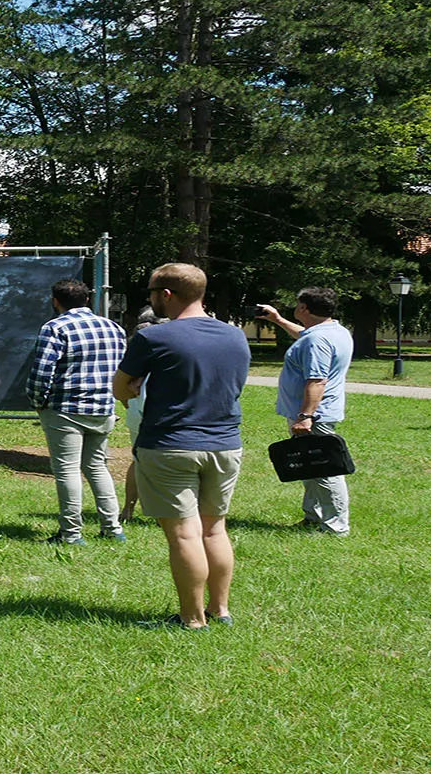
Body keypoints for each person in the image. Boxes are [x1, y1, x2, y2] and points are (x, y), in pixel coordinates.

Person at [113, 264, 248, 629]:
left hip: (170, 445)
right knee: (214, 530)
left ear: (166, 294)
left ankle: (191, 619)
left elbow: (119, 388)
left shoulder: (153, 338)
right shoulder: (235, 336)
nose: (151, 298)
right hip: (225, 444)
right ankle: (220, 611)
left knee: (184, 534)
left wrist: (134, 389)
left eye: (151, 291)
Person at [26, 279, 128, 545]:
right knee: (97, 467)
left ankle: (71, 534)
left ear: (55, 301)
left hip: (65, 409)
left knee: (67, 470)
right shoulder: (114, 328)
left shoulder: (55, 327)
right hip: (102, 408)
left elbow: (41, 372)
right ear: (87, 300)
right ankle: (113, 529)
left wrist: (37, 401)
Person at [258, 288, 355, 536]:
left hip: (314, 415)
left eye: (298, 303)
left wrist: (305, 416)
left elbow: (317, 380)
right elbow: (304, 335)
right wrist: (278, 320)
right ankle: (314, 517)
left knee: (326, 470)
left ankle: (336, 526)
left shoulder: (317, 340)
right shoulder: (334, 331)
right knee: (310, 466)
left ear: (304, 308)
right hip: (316, 412)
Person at [118, 308, 167, 523]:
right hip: (161, 412)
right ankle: (161, 513)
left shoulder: (136, 347)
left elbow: (121, 387)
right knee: (165, 463)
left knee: (138, 460)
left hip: (136, 410)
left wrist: (129, 404)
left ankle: (127, 511)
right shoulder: (168, 346)